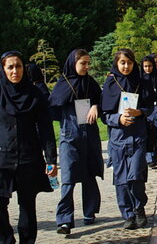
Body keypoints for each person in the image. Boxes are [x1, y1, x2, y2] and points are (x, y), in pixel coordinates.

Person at [0, 51, 58, 244]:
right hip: (1, 157)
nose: (15, 71)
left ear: (24, 68)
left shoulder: (36, 95)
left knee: (27, 206)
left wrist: (51, 160)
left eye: (19, 66)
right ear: (3, 70)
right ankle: (6, 241)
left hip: (28, 158)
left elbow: (46, 130)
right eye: (10, 67)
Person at [49, 49, 104, 235]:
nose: (87, 67)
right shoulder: (63, 84)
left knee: (89, 174)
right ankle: (64, 220)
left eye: (88, 63)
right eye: (83, 63)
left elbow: (102, 100)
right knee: (68, 179)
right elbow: (53, 108)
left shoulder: (90, 82)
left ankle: (89, 213)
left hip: (89, 136)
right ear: (73, 63)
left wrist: (96, 105)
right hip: (69, 137)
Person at [100, 49, 154, 230]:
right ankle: (127, 214)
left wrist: (140, 112)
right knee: (121, 179)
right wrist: (118, 119)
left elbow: (149, 107)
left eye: (129, 63)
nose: (126, 66)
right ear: (117, 63)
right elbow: (105, 114)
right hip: (118, 138)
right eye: (122, 62)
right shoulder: (110, 84)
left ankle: (139, 209)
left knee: (136, 175)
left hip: (138, 136)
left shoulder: (142, 81)